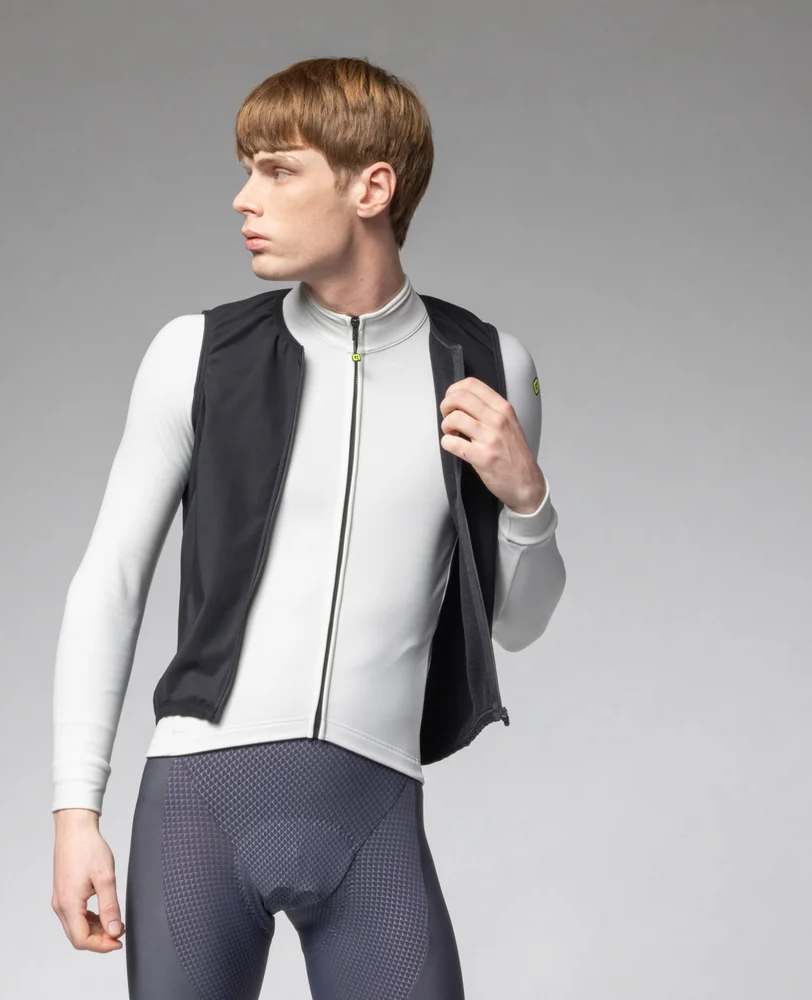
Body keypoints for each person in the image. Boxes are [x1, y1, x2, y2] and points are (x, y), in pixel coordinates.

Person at [51, 56, 566, 1000]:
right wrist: (74, 811)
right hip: (199, 809)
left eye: (278, 170)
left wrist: (527, 496)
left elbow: (520, 624)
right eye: (248, 169)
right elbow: (110, 581)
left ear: (373, 188)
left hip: (374, 812)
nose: (244, 198)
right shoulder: (197, 355)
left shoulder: (489, 365)